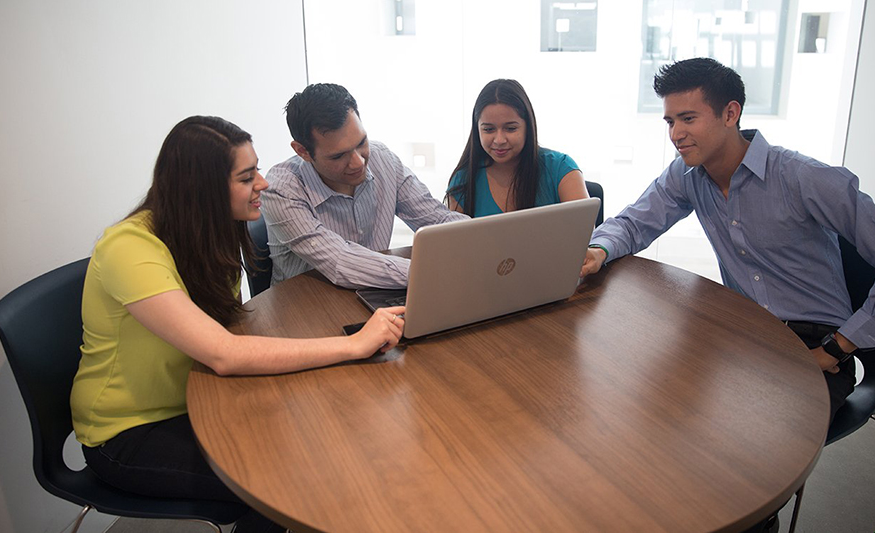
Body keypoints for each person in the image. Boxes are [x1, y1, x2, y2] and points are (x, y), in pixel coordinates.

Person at [70, 116, 405, 532]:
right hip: (130, 432)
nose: (262, 183)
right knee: (287, 482)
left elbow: (231, 331)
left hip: (207, 398)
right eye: (247, 177)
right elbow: (223, 352)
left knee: (326, 443)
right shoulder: (129, 248)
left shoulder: (209, 233)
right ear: (202, 190)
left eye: (258, 169)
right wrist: (353, 345)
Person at [582, 58, 875, 425]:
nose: (675, 134)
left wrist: (837, 348)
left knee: (741, 442)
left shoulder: (804, 178)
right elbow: (634, 223)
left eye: (688, 119)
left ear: (730, 113)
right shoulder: (686, 174)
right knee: (647, 401)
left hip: (814, 347)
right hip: (743, 339)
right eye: (670, 121)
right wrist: (598, 249)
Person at [262, 83, 467, 289]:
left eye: (361, 142)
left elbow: (437, 219)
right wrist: (429, 273)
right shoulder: (282, 188)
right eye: (339, 155)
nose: (358, 162)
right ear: (303, 151)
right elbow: (341, 260)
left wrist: (486, 245)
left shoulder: (382, 159)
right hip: (305, 306)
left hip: (378, 292)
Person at [446, 79, 588, 216]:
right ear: (477, 130)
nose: (499, 140)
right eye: (489, 130)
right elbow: (455, 239)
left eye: (511, 128)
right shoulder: (463, 180)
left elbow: (584, 233)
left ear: (528, 127)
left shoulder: (560, 168)